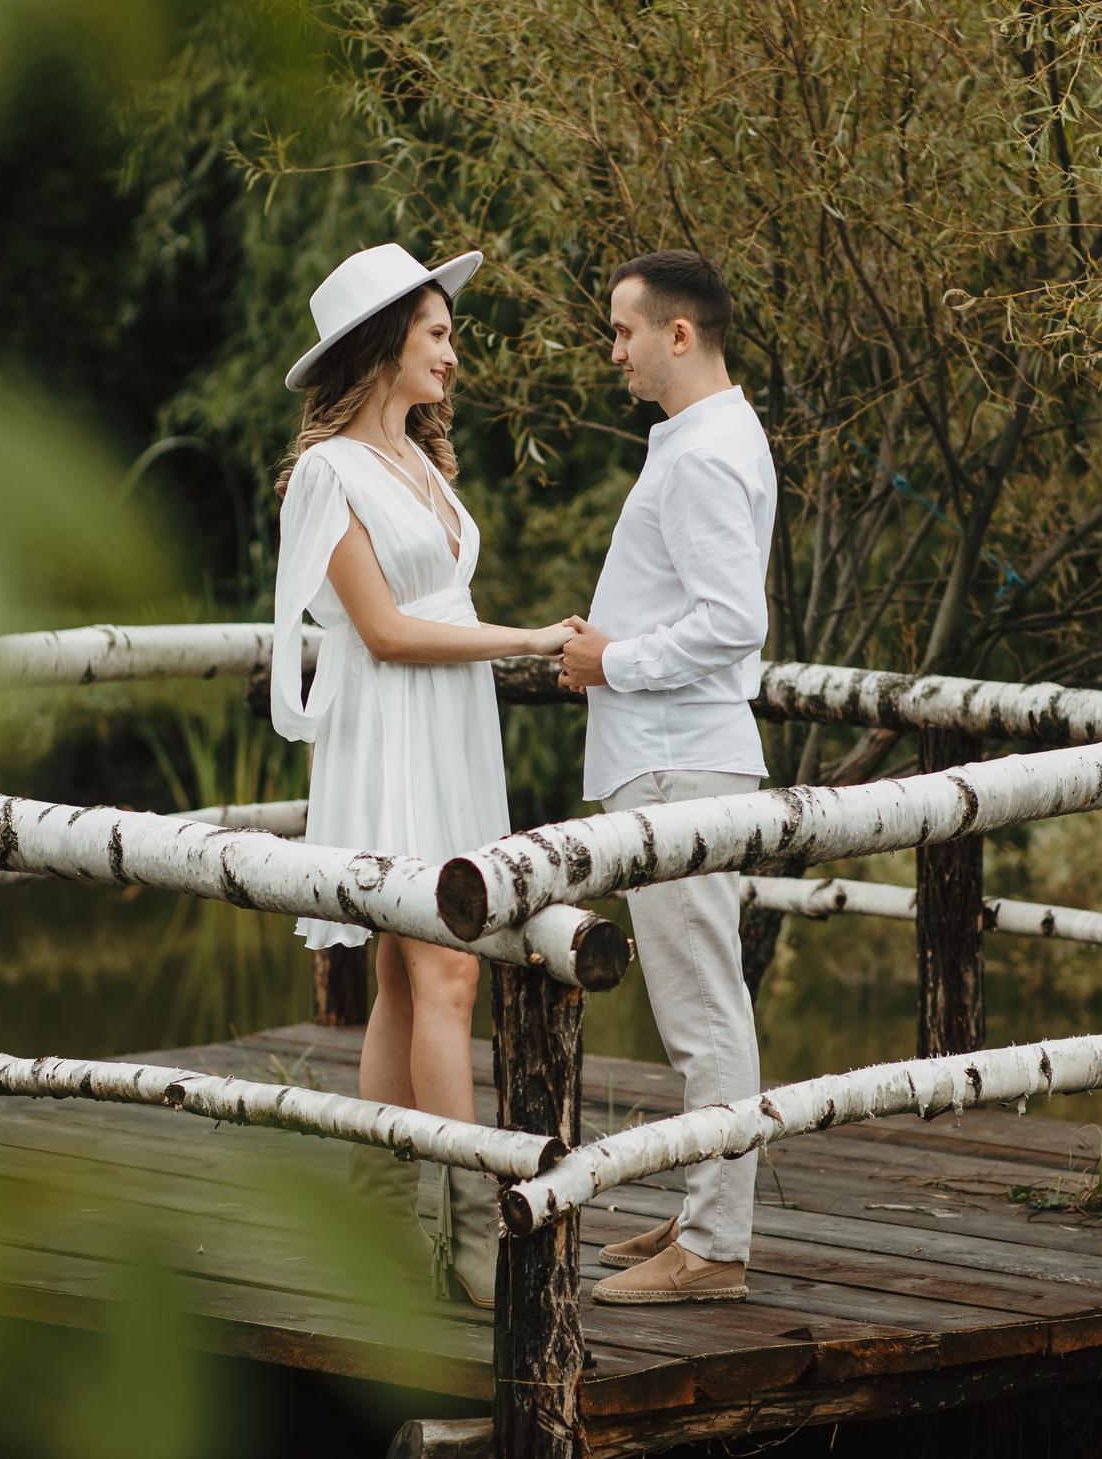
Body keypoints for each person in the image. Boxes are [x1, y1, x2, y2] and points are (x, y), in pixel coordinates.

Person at [268, 241, 573, 1308]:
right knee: (446, 973)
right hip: (392, 733)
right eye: (438, 333)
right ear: (385, 343)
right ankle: (472, 1232)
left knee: (413, 980)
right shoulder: (328, 473)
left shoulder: (421, 463)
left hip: (452, 731)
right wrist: (530, 639)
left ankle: (382, 1224)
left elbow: (428, 615)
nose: (453, 352)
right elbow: (387, 633)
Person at [556, 249, 777, 1306]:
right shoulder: (707, 436)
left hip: (682, 762)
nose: (616, 351)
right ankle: (702, 1209)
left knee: (703, 1013)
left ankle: (714, 1253)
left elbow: (735, 622)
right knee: (699, 1003)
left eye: (623, 332)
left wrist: (614, 661)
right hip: (676, 757)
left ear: (676, 334)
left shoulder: (701, 452)